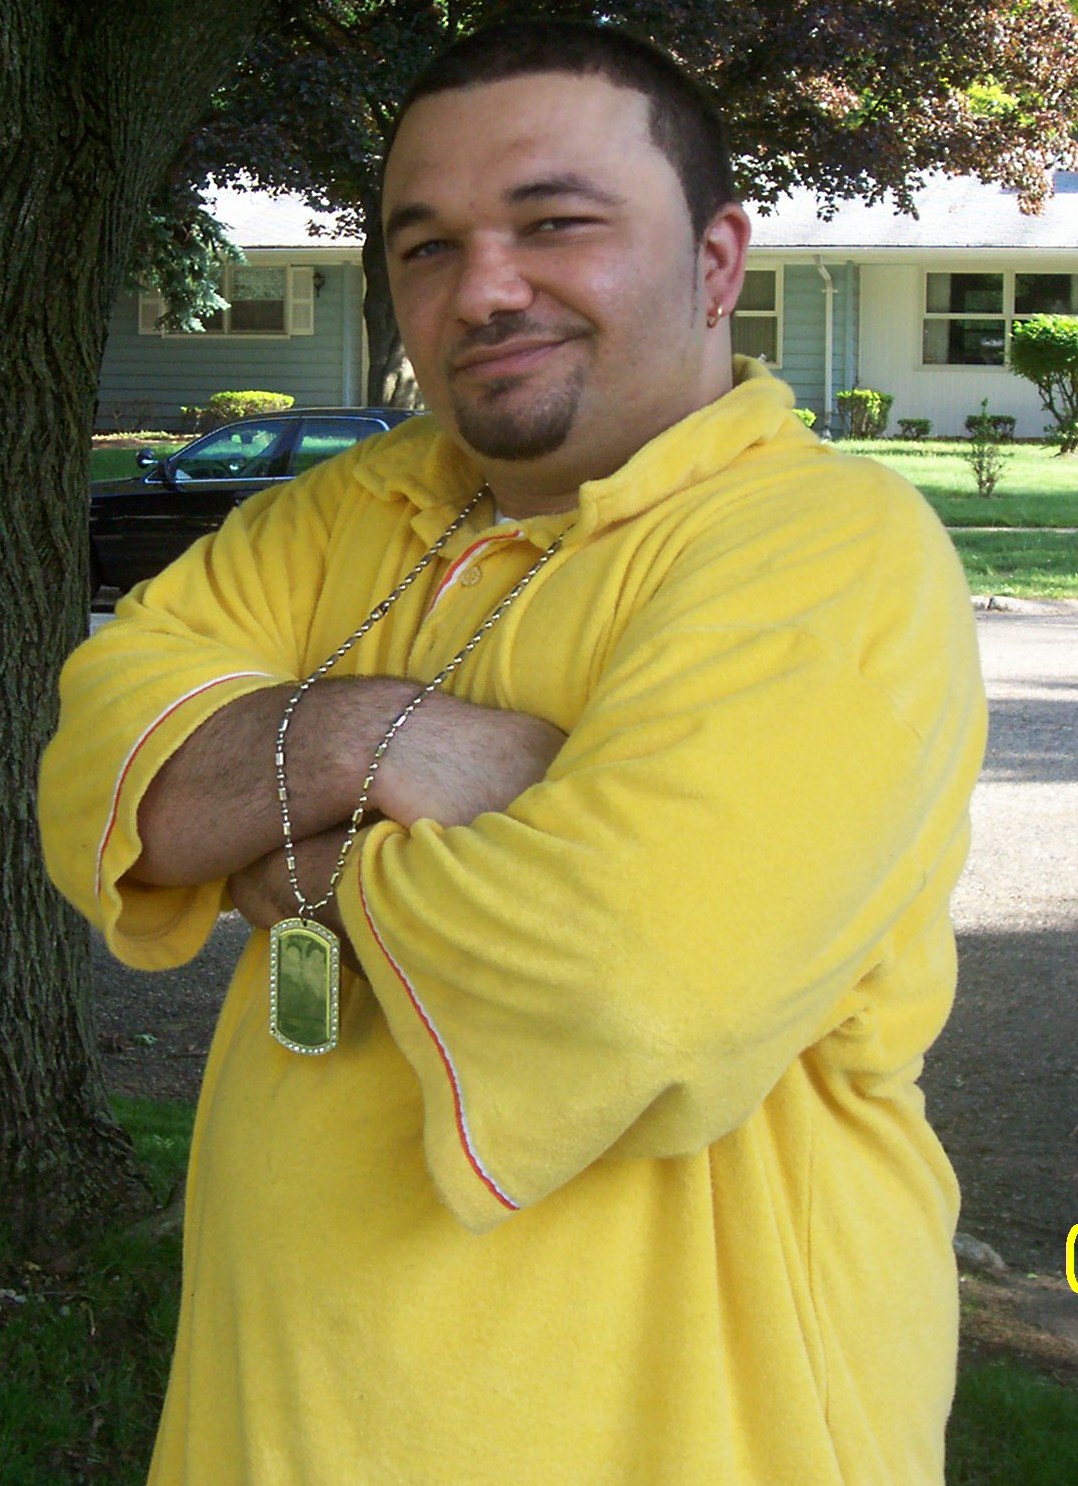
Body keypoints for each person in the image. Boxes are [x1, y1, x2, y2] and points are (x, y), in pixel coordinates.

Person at [40, 19, 987, 1486]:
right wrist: (368, 735)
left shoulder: (824, 547)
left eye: (556, 224)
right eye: (427, 246)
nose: (481, 289)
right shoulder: (347, 510)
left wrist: (293, 858)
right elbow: (104, 776)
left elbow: (631, 985)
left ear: (717, 261)